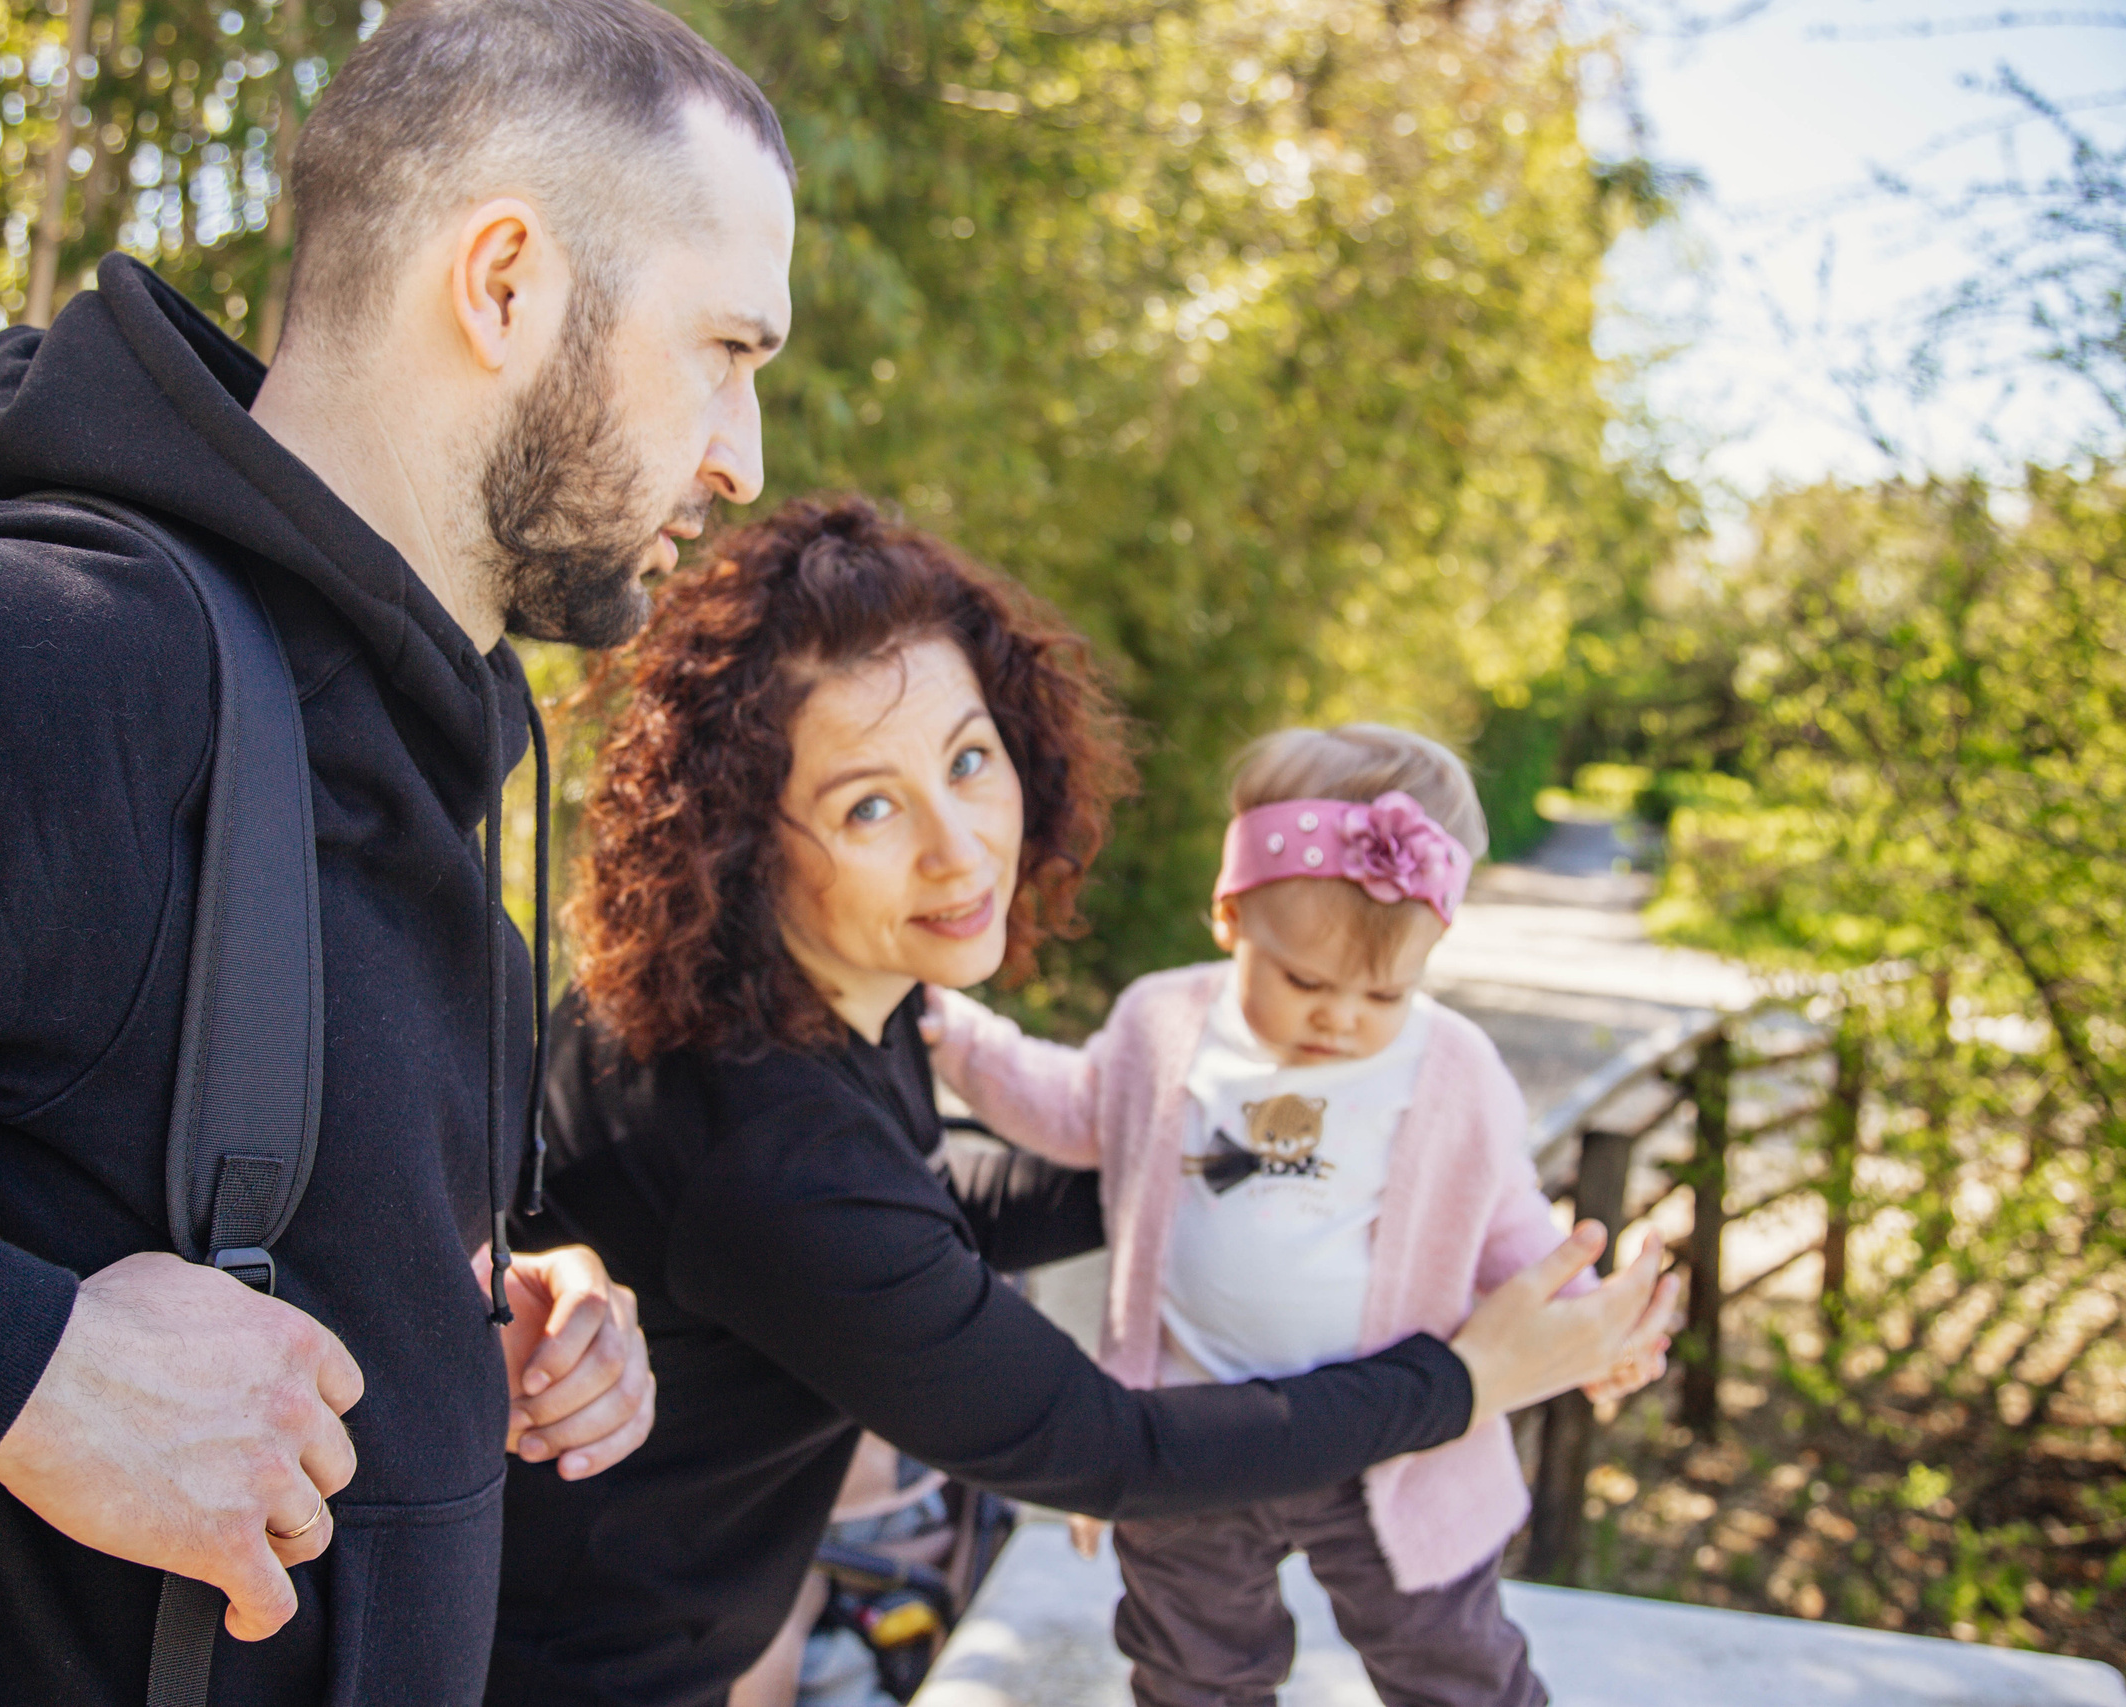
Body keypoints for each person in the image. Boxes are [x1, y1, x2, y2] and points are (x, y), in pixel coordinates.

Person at [0, 0, 796, 1699]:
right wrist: (13, 1366)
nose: (744, 455)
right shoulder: (67, 661)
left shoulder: (401, 792)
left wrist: (464, 1311)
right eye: (730, 350)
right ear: (505, 282)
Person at [493, 499, 1678, 1707]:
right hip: (572, 1663)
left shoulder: (792, 990)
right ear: (744, 842)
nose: (961, 853)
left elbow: (919, 1207)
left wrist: (1230, 1155)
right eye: (870, 806)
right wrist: (1467, 1380)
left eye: (966, 761)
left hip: (683, 1609)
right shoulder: (765, 1152)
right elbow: (1107, 1447)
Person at [930, 724, 1661, 1707]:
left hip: (1391, 1447)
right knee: (1193, 1663)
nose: (1342, 1019)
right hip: (1194, 1433)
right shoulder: (1162, 1025)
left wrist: (1591, 1323)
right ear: (1231, 917)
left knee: (1448, 1656)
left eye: (1384, 992)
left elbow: (1511, 1231)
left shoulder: (1450, 1072)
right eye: (1305, 982)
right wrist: (952, 1034)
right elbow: (1065, 1108)